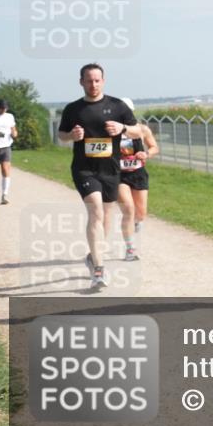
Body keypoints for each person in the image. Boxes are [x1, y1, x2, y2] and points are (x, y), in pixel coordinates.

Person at [57, 64, 142, 289]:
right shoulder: (73, 109)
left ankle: (92, 256)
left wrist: (122, 128)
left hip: (111, 170)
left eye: (97, 80)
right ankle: (98, 269)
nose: (93, 85)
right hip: (84, 168)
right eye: (88, 80)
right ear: (81, 82)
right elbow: (61, 135)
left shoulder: (117, 106)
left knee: (105, 215)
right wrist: (72, 135)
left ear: (103, 81)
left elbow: (138, 131)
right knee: (95, 209)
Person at [117, 98, 159, 251]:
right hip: (119, 175)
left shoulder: (142, 130)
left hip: (138, 173)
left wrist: (146, 154)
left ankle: (136, 221)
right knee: (128, 208)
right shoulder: (112, 130)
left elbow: (155, 147)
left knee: (140, 214)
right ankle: (130, 248)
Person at [0, 99, 17, 205]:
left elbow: (13, 129)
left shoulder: (10, 116)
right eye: (1, 108)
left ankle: (4, 196)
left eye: (5, 108)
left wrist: (14, 133)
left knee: (6, 170)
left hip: (6, 146)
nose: (3, 110)